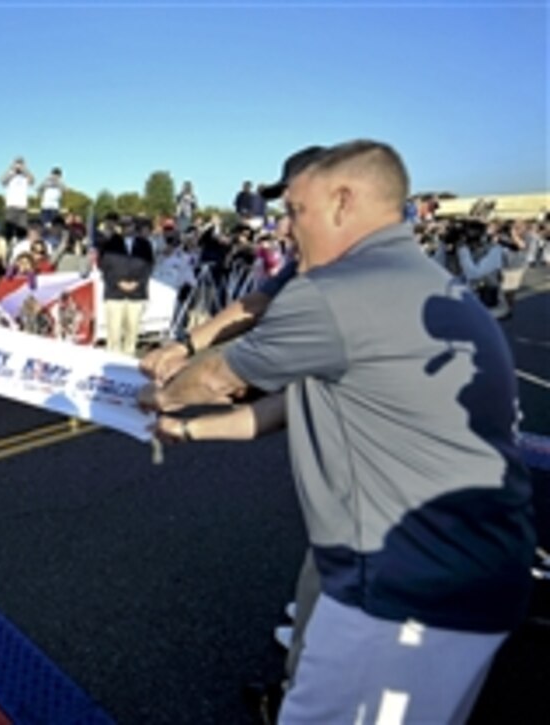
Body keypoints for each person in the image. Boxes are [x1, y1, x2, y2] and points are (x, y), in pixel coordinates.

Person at [141, 140, 534, 724]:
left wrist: (157, 391)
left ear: (343, 202)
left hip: (398, 594)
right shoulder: (423, 279)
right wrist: (192, 432)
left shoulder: (334, 292)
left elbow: (218, 378)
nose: (285, 231)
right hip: (472, 575)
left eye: (296, 212)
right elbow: (303, 402)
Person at [98, 217, 154, 355]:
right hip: (114, 293)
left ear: (134, 227)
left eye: (129, 225)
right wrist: (118, 282)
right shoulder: (110, 243)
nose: (126, 228)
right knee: (114, 334)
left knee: (132, 332)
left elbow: (149, 266)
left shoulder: (144, 244)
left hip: (137, 294)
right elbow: (104, 266)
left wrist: (137, 283)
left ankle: (128, 364)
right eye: (123, 226)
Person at [1, 156, 34, 243]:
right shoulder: (10, 174)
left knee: (22, 232)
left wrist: (25, 170)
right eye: (17, 163)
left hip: (22, 207)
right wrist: (11, 169)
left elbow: (32, 181)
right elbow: (2, 181)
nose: (19, 166)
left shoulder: (25, 176)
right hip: (11, 206)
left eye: (21, 163)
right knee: (9, 231)